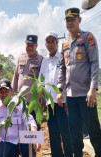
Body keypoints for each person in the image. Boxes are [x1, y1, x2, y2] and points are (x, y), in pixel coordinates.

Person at [57, 7, 101, 156]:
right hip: (70, 97)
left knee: (94, 132)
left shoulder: (88, 38)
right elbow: (62, 69)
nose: (70, 22)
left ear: (79, 20)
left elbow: (95, 63)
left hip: (86, 95)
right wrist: (59, 90)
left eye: (73, 19)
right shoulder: (64, 44)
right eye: (67, 20)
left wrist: (93, 88)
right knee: (74, 135)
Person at [39, 31, 72, 157]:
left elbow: (67, 78)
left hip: (61, 101)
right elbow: (41, 82)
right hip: (49, 103)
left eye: (53, 41)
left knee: (65, 131)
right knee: (53, 132)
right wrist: (40, 100)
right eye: (48, 42)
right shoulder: (45, 61)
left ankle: (69, 154)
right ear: (46, 45)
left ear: (57, 43)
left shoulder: (62, 57)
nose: (50, 44)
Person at [0, 78, 40, 157]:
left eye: (6, 92)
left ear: (12, 91)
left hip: (23, 138)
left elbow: (29, 121)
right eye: (1, 92)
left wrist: (36, 137)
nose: (4, 95)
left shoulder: (19, 103)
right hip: (6, 140)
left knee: (30, 149)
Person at [11, 35, 43, 129]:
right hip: (20, 103)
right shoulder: (21, 58)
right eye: (27, 45)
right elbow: (15, 77)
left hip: (34, 102)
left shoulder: (41, 60)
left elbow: (42, 82)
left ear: (36, 45)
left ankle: (34, 144)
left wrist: (43, 101)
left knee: (33, 129)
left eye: (32, 45)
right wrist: (13, 96)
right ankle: (22, 144)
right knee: (20, 128)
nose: (29, 47)